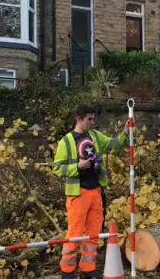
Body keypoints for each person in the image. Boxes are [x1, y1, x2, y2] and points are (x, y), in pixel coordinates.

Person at [54, 103, 132, 279]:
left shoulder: (95, 136)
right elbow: (58, 169)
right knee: (74, 234)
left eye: (93, 118)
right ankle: (67, 272)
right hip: (77, 194)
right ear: (78, 119)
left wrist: (125, 133)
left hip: (95, 191)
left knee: (93, 234)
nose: (93, 122)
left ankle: (87, 268)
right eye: (89, 119)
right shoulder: (66, 141)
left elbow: (113, 145)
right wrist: (77, 166)